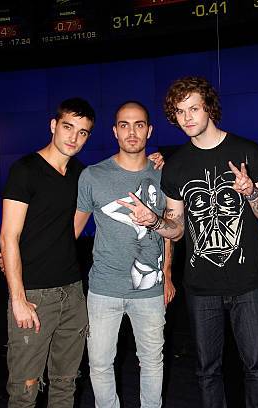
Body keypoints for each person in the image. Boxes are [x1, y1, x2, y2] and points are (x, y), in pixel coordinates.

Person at [117, 77, 258, 408]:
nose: (187, 117)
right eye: (179, 111)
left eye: (193, 108)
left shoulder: (247, 151)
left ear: (209, 108)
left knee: (257, 369)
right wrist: (154, 220)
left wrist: (252, 193)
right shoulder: (176, 167)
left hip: (249, 281)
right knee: (206, 372)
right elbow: (177, 229)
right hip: (201, 287)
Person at [74, 101, 175, 408]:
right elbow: (70, 232)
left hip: (151, 289)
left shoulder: (165, 175)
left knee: (152, 362)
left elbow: (172, 229)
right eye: (125, 125)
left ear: (149, 130)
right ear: (115, 131)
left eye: (139, 124)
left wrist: (168, 275)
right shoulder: (92, 176)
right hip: (104, 289)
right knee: (100, 364)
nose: (132, 132)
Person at [0, 97, 95, 408]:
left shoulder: (82, 174)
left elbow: (72, 232)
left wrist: (154, 162)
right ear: (54, 125)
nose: (74, 137)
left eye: (82, 132)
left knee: (65, 384)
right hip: (34, 296)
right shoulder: (25, 170)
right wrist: (18, 297)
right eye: (68, 127)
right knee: (25, 389)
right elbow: (8, 236)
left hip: (73, 293)